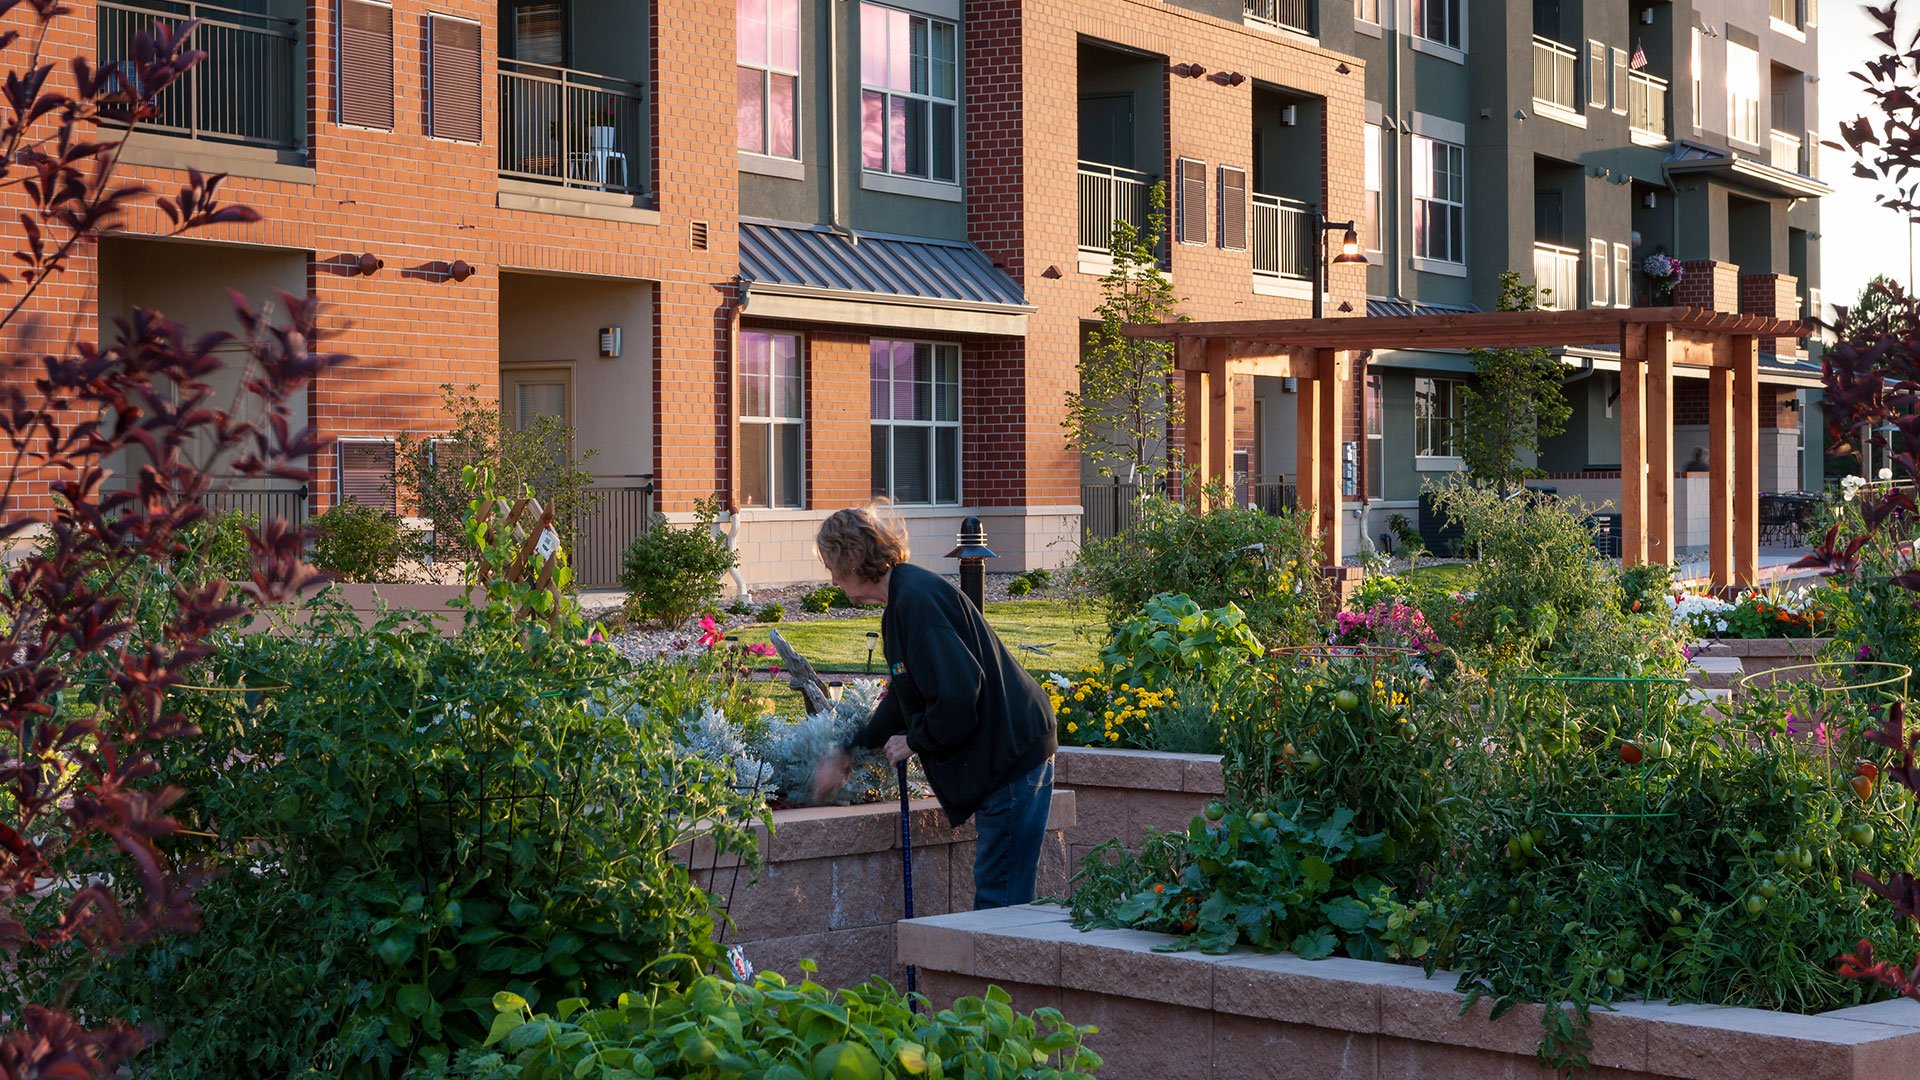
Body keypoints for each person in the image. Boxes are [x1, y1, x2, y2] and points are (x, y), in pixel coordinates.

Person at [809, 506, 1057, 909]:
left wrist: (916, 740)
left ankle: (994, 970)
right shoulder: (901, 604)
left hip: (1013, 751)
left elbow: (961, 694)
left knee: (1001, 899)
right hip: (1008, 745)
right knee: (1000, 893)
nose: (833, 579)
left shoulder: (918, 604)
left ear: (852, 559)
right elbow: (906, 693)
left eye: (832, 566)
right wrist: (851, 749)